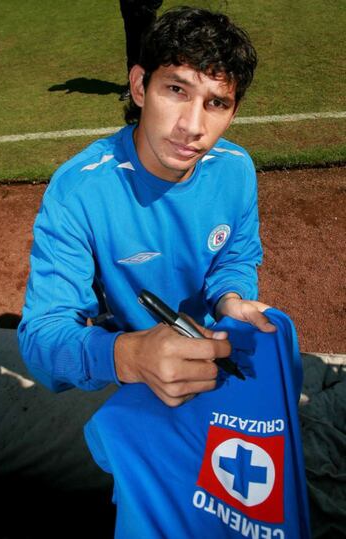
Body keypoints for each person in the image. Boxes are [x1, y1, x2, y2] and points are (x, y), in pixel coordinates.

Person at [18, 6, 276, 407]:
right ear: (139, 87)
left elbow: (235, 260)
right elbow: (42, 339)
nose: (192, 126)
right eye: (176, 90)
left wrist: (231, 299)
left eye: (216, 103)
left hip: (213, 357)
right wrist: (130, 356)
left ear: (233, 112)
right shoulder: (79, 190)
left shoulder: (236, 169)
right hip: (128, 376)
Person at [119, 0, 163, 101]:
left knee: (149, 47)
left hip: (146, 12)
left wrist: (152, 7)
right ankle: (133, 86)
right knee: (132, 49)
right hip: (130, 12)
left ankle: (153, 83)